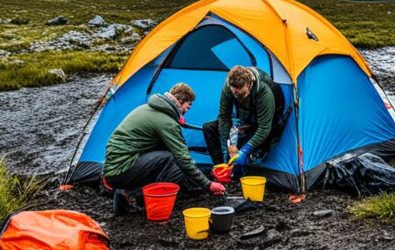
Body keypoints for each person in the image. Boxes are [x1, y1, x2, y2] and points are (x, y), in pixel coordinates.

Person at [104, 83, 225, 215]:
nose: (187, 109)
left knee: (168, 156)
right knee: (172, 159)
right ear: (179, 101)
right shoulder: (166, 122)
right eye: (188, 105)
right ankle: (140, 196)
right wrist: (207, 184)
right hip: (122, 169)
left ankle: (127, 194)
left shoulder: (147, 108)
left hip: (114, 168)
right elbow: (182, 157)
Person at [202, 65, 278, 168]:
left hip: (263, 121)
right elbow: (224, 117)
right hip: (243, 118)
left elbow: (264, 127)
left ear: (249, 85)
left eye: (241, 94)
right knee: (209, 128)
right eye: (234, 93)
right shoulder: (228, 87)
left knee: (250, 142)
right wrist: (226, 149)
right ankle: (222, 168)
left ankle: (247, 165)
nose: (237, 97)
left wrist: (245, 150)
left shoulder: (264, 93)